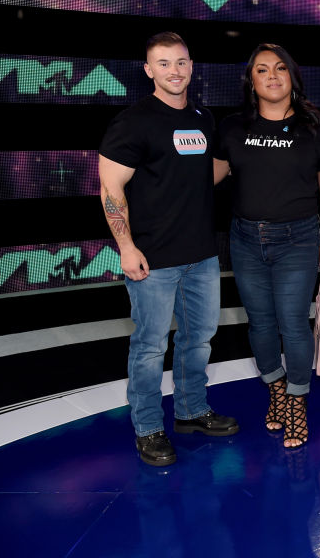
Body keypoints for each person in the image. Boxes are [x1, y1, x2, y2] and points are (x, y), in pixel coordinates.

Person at [98, 32, 237, 467]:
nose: (173, 71)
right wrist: (126, 246)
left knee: (199, 341)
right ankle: (148, 428)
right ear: (148, 70)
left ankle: (192, 411)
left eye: (180, 62)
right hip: (152, 260)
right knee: (150, 347)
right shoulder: (134, 121)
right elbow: (110, 188)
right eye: (163, 63)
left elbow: (203, 174)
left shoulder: (203, 118)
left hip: (201, 255)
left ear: (191, 66)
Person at [213, 44, 320, 449]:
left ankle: (297, 403)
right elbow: (202, 180)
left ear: (292, 77)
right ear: (251, 80)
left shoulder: (317, 128)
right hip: (245, 240)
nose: (272, 75)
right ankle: (276, 389)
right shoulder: (232, 127)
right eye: (262, 70)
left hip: (298, 240)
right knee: (261, 325)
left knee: (292, 323)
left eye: (280, 68)